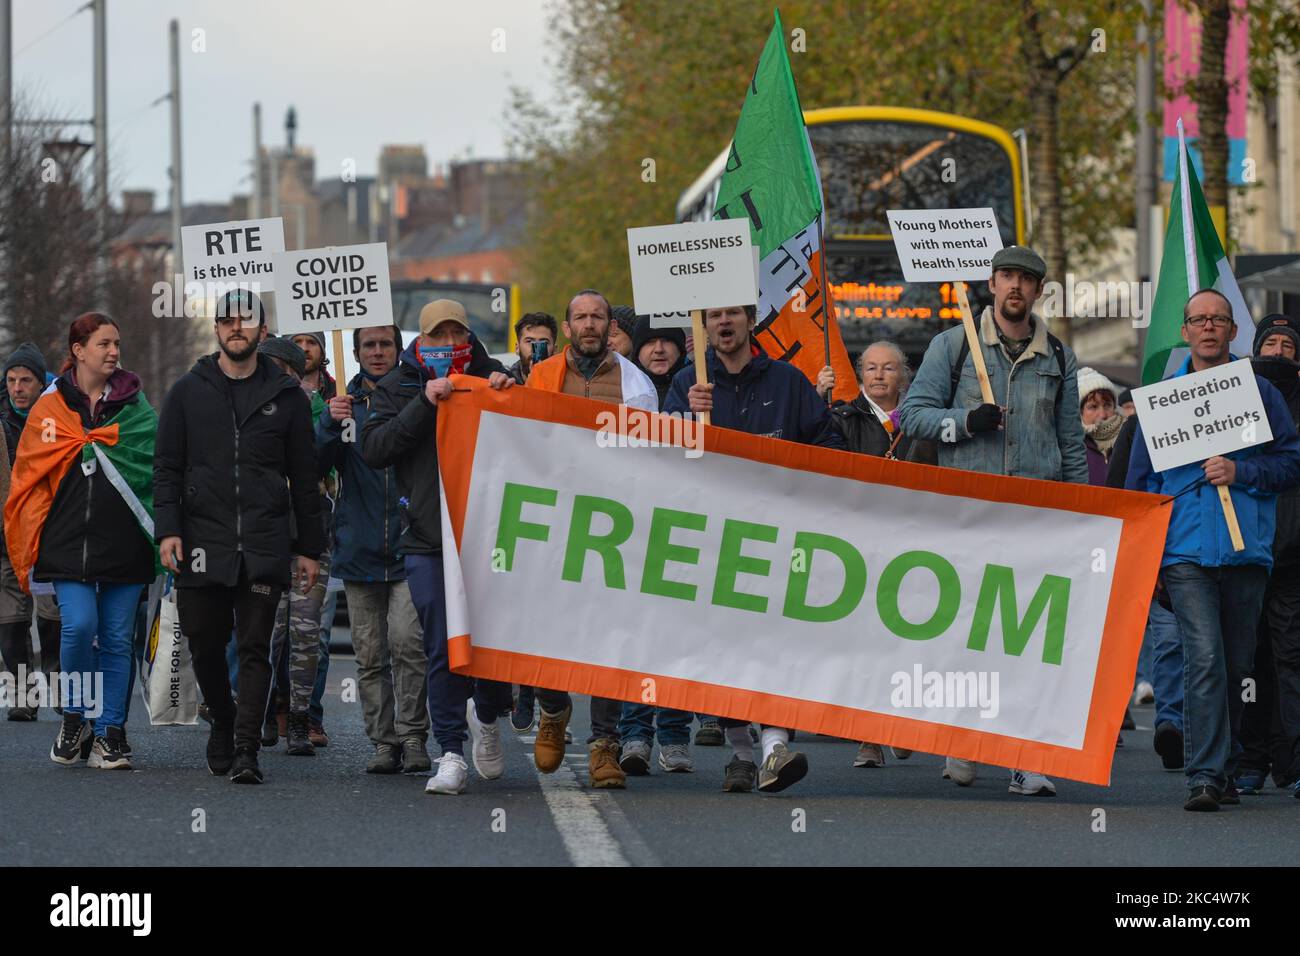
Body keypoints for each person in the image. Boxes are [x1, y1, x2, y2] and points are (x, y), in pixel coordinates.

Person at [899, 244, 1085, 797]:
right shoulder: (952, 346)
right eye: (1006, 276)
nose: (1014, 287)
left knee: (1026, 638)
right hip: (967, 513)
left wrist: (1083, 516)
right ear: (991, 283)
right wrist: (965, 421)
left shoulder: (1059, 358)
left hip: (1035, 516)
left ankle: (1024, 757)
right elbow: (914, 414)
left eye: (1026, 280)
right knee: (966, 633)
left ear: (1038, 291)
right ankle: (962, 737)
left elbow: (1070, 442)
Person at [1127, 290, 1300, 811]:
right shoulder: (1162, 398)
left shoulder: (1262, 395)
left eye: (1218, 320)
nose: (1208, 327)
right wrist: (1148, 560)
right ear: (1185, 331)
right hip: (1184, 554)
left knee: (1234, 665)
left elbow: (1291, 465)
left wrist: (1240, 470)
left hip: (1246, 551)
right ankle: (1203, 775)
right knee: (1203, 658)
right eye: (1199, 320)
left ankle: (1224, 767)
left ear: (1231, 331)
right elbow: (1141, 486)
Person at [664, 303, 844, 794]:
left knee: (774, 643)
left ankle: (775, 747)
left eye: (732, 314)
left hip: (778, 537)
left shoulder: (788, 381)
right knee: (722, 648)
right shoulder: (687, 385)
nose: (723, 323)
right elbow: (659, 459)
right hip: (711, 539)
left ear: (749, 321)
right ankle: (742, 751)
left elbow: (828, 444)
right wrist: (684, 419)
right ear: (704, 328)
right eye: (714, 316)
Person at [154, 290, 323, 784]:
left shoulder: (286, 397)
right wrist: (168, 530)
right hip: (203, 539)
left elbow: (304, 474)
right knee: (205, 642)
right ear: (217, 330)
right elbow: (166, 468)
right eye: (227, 321)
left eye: (245, 322)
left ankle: (247, 748)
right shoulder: (187, 391)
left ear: (262, 332)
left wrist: (309, 548)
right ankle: (223, 720)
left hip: (265, 542)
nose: (236, 329)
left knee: (254, 647)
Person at [362, 299, 514, 795]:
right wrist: (423, 403)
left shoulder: (493, 376)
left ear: (469, 340)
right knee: (441, 646)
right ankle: (450, 751)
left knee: (491, 644)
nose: (449, 345)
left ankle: (487, 715)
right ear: (421, 342)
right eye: (437, 336)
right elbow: (376, 448)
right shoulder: (398, 386)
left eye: (457, 335)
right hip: (428, 538)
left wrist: (510, 398)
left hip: (488, 536)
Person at [5, 313, 157, 769]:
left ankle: (111, 732)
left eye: (117, 344)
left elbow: (152, 469)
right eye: (104, 344)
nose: (113, 352)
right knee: (78, 627)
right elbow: (28, 479)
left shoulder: (135, 406)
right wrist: (30, 536)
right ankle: (75, 716)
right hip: (66, 544)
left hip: (125, 543)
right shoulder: (48, 409)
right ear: (79, 350)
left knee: (115, 639)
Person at [525, 290, 658, 788]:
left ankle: (605, 744)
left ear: (610, 327)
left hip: (609, 526)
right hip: (549, 522)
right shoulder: (538, 378)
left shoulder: (636, 383)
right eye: (579, 316)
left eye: (597, 317)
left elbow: (647, 457)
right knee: (543, 629)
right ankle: (554, 711)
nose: (588, 324)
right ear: (566, 328)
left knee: (607, 636)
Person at [319, 324, 431, 774]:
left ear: (398, 349)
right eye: (369, 345)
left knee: (408, 643)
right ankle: (384, 743)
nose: (378, 352)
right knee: (369, 654)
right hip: (359, 545)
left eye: (387, 344)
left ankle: (414, 735)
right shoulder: (344, 408)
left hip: (413, 544)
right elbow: (311, 465)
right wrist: (328, 424)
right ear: (356, 351)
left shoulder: (418, 396)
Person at [829, 340, 915, 768]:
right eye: (871, 368)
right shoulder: (842, 419)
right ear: (860, 374)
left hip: (909, 544)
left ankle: (899, 722)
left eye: (889, 368)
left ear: (905, 375)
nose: (879, 375)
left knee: (903, 640)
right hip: (861, 544)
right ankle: (868, 735)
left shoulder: (919, 422)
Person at [253, 337, 334, 757]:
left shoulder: (311, 408)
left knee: (304, 634)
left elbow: (318, 467)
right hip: (261, 541)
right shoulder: (244, 408)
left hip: (306, 539)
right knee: (263, 633)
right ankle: (263, 712)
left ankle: (300, 718)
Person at [1237, 314, 1300, 795]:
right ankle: (1250, 760)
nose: (1277, 351)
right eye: (1270, 343)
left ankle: (1293, 762)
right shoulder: (1233, 402)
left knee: (1291, 659)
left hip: (1294, 557)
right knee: (1246, 662)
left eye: (1287, 345)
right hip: (1246, 551)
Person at [0, 343, 59, 720]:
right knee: (9, 623)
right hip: (5, 536)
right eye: (11, 380)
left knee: (51, 617)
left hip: (48, 537)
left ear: (40, 383)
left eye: (25, 380)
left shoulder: (58, 418)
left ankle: (55, 684)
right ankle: (22, 694)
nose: (17, 387)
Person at [630, 315, 687, 409]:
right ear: (637, 352)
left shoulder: (698, 385)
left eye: (666, 341)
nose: (659, 349)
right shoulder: (621, 386)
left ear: (680, 349)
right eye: (650, 342)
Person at [507, 312, 558, 387]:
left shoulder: (565, 383)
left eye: (544, 342)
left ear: (555, 350)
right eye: (529, 341)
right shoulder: (507, 383)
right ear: (517, 348)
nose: (536, 348)